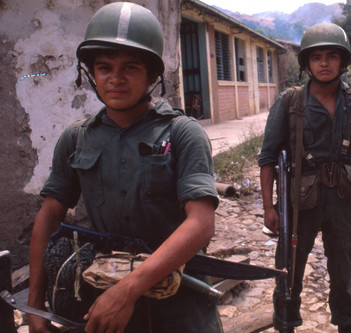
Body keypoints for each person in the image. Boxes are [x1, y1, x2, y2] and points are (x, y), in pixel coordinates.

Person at [27, 2, 223, 332]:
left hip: (181, 300)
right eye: (104, 67)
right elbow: (48, 216)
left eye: (130, 67)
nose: (115, 79)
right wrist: (34, 305)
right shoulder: (76, 139)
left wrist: (128, 289)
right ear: (91, 73)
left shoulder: (182, 133)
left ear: (151, 74)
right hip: (103, 298)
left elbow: (201, 224)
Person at [259, 22, 351, 333]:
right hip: (300, 204)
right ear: (307, 63)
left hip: (342, 199)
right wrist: (269, 207)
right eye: (316, 57)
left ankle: (346, 326)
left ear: (343, 61)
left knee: (343, 272)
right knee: (288, 274)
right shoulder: (291, 102)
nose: (324, 63)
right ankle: (285, 326)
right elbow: (268, 158)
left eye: (331, 56)